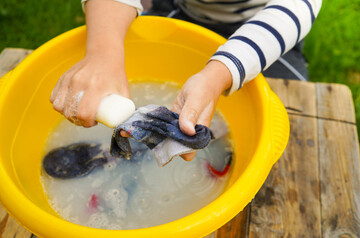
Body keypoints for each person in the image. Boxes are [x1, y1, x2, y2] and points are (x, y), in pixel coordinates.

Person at [50, 0, 322, 161]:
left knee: (292, 95)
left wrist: (218, 75)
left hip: (264, 26)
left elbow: (295, 8)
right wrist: (103, 53)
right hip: (183, 9)